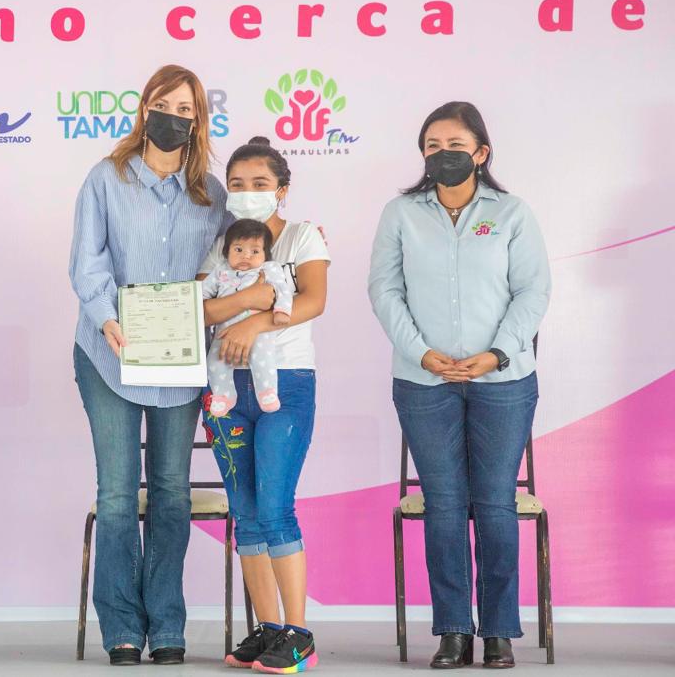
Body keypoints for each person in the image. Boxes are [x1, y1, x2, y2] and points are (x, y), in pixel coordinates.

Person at [367, 101, 550, 669]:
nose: (442, 154)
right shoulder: (401, 213)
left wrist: (496, 354)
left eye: (454, 145)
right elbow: (384, 291)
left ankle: (497, 632)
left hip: (504, 381)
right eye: (432, 146)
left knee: (494, 503)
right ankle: (452, 630)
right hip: (424, 381)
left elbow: (533, 291)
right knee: (444, 504)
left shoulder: (512, 212)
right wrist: (421, 353)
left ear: (481, 152)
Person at [68, 64, 228, 666]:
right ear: (144, 109)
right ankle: (121, 627)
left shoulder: (212, 193)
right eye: (164, 105)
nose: (173, 117)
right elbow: (87, 261)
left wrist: (291, 240)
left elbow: (232, 263)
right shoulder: (106, 177)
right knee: (116, 494)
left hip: (179, 360)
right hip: (108, 353)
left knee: (170, 492)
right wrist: (106, 317)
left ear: (198, 120)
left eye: (186, 109)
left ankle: (166, 622)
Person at [199, 136, 329, 673]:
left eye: (259, 183)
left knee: (275, 508)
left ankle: (299, 634)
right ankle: (270, 628)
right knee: (246, 514)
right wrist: (251, 300)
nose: (247, 192)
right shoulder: (223, 244)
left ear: (281, 189)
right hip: (227, 390)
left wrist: (253, 323)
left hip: (286, 384)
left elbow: (313, 299)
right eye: (237, 184)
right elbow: (200, 310)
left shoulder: (302, 237)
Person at [201, 219, 294, 416]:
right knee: (215, 362)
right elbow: (202, 292)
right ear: (226, 251)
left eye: (255, 251)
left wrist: (282, 310)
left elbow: (282, 290)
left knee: (263, 359)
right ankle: (224, 395)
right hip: (225, 331)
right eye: (238, 249)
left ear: (265, 254)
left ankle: (267, 391)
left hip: (258, 333)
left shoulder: (269, 269)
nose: (246, 256)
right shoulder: (221, 271)